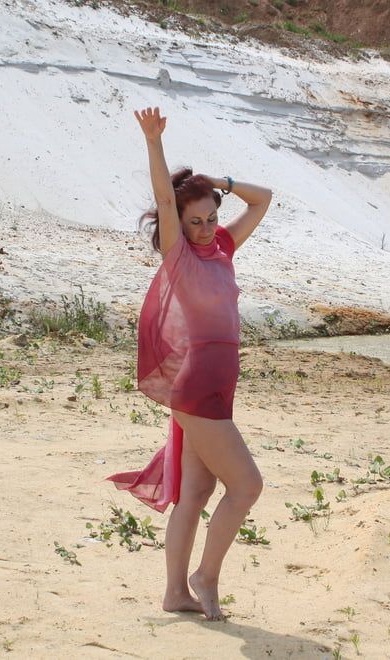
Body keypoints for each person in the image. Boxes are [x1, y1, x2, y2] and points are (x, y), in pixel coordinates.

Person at [105, 106, 272, 621]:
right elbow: (162, 198)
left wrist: (216, 182)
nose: (203, 229)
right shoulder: (178, 254)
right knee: (247, 486)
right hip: (198, 386)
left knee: (197, 491)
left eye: (210, 217)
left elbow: (263, 200)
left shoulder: (222, 248)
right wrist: (154, 143)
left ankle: (176, 593)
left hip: (221, 386)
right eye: (194, 220)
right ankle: (205, 576)